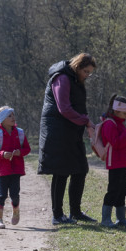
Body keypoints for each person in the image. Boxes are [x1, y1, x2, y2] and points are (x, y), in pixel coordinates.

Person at [38, 53, 98, 224]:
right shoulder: (62, 78)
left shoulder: (77, 80)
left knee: (80, 169)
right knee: (61, 172)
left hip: (72, 131)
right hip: (57, 131)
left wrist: (86, 123)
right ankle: (57, 215)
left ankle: (76, 212)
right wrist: (85, 120)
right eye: (86, 71)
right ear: (77, 67)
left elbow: (78, 106)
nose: (87, 75)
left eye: (89, 73)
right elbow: (64, 108)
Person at [0, 106, 31, 229]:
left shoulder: (20, 133)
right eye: (9, 116)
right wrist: (2, 154)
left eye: (13, 115)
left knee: (15, 195)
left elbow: (27, 149)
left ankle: (16, 211)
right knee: (1, 195)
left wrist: (19, 152)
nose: (13, 118)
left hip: (16, 170)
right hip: (2, 171)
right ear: (2, 119)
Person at [98, 94, 126, 228]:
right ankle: (105, 219)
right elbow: (116, 143)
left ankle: (121, 219)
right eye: (125, 113)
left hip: (121, 161)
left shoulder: (119, 124)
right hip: (114, 161)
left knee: (122, 189)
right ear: (116, 111)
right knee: (113, 189)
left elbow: (124, 143)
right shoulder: (109, 124)